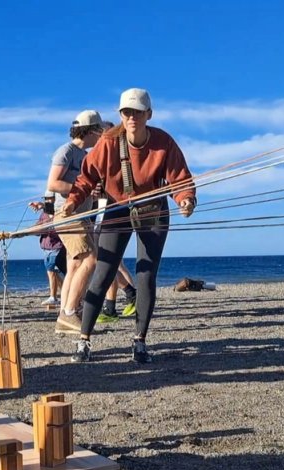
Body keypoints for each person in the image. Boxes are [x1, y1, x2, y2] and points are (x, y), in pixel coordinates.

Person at [62, 88, 196, 363]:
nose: (131, 117)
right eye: (126, 112)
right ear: (121, 115)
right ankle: (84, 341)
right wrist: (72, 203)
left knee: (146, 274)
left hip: (153, 212)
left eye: (137, 112)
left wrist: (186, 200)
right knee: (102, 273)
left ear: (149, 113)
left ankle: (140, 341)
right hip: (117, 210)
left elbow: (180, 179)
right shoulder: (109, 143)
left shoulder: (163, 143)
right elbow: (86, 178)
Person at [48, 111, 105, 335]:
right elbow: (53, 183)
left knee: (73, 265)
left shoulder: (84, 155)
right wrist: (83, 191)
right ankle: (69, 312)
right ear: (91, 131)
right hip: (67, 214)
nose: (101, 136)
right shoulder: (66, 151)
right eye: (99, 131)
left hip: (82, 215)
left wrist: (93, 191)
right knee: (91, 259)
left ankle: (67, 314)